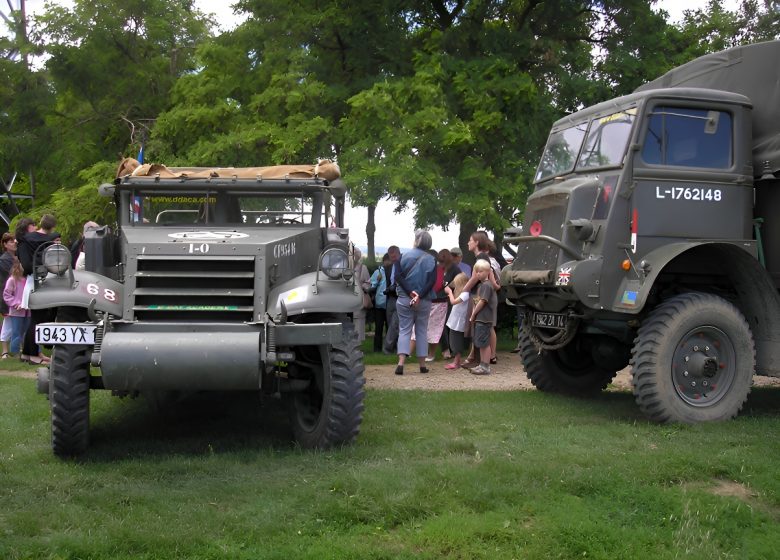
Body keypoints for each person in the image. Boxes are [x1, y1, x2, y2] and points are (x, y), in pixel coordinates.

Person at [17, 214, 60, 365]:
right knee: (37, 320)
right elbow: (29, 266)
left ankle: (30, 353)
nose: (35, 227)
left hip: (37, 281)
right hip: (38, 282)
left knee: (35, 320)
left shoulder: (27, 242)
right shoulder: (40, 241)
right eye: (32, 225)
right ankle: (32, 355)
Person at [394, 230, 436, 375]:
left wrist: (410, 293)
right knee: (422, 331)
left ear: (416, 240)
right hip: (424, 300)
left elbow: (398, 277)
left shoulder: (402, 257)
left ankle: (401, 363)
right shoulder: (431, 259)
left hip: (405, 299)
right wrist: (419, 295)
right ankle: (422, 365)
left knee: (404, 330)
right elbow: (431, 281)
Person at [461, 231, 501, 368]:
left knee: (484, 325)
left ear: (477, 242)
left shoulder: (482, 256)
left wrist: (463, 290)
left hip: (482, 295)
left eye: (470, 240)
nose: (468, 242)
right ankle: (482, 356)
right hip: (483, 294)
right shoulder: (482, 256)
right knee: (484, 326)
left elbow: (474, 278)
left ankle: (484, 357)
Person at [468, 260, 497, 375]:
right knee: (481, 342)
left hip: (484, 318)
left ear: (488, 272)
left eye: (481, 271)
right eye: (477, 271)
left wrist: (473, 313)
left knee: (484, 343)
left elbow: (482, 301)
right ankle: (482, 364)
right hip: (482, 318)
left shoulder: (486, 286)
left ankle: (485, 366)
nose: (478, 274)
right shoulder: (483, 285)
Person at [3, 258, 30, 359]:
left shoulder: (28, 279)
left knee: (27, 332)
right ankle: (15, 353)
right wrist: (17, 303)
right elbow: (7, 295)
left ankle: (27, 351)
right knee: (16, 332)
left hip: (28, 311)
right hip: (16, 312)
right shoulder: (12, 279)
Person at [443, 272, 470, 370]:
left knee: (456, 341)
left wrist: (449, 292)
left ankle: (457, 362)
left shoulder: (465, 294)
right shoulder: (462, 293)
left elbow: (453, 302)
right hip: (455, 320)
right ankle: (456, 361)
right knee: (453, 340)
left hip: (459, 321)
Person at [0, 232, 18, 358]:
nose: (14, 243)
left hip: (17, 293)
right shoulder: (4, 260)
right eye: (11, 241)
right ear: (5, 244)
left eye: (14, 241)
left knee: (18, 322)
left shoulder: (16, 257)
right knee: (8, 322)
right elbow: (13, 274)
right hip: (7, 295)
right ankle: (5, 351)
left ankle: (16, 348)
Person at [370, 253, 390, 352]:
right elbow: (372, 286)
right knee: (379, 328)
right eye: (388, 261)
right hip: (379, 305)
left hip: (390, 304)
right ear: (384, 261)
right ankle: (377, 349)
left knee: (389, 328)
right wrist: (376, 281)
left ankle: (388, 348)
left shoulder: (393, 271)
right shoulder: (378, 272)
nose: (389, 263)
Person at [383, 245, 401, 354]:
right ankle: (395, 348)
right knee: (391, 323)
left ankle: (387, 349)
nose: (393, 259)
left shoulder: (403, 264)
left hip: (400, 298)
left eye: (394, 256)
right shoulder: (389, 267)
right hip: (390, 297)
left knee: (395, 324)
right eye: (391, 257)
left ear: (399, 254)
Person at [352, 247, 371, 342]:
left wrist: (362, 286)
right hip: (346, 300)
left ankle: (357, 346)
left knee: (358, 323)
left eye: (355, 255)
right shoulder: (344, 267)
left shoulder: (362, 268)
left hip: (359, 299)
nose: (353, 257)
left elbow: (368, 283)